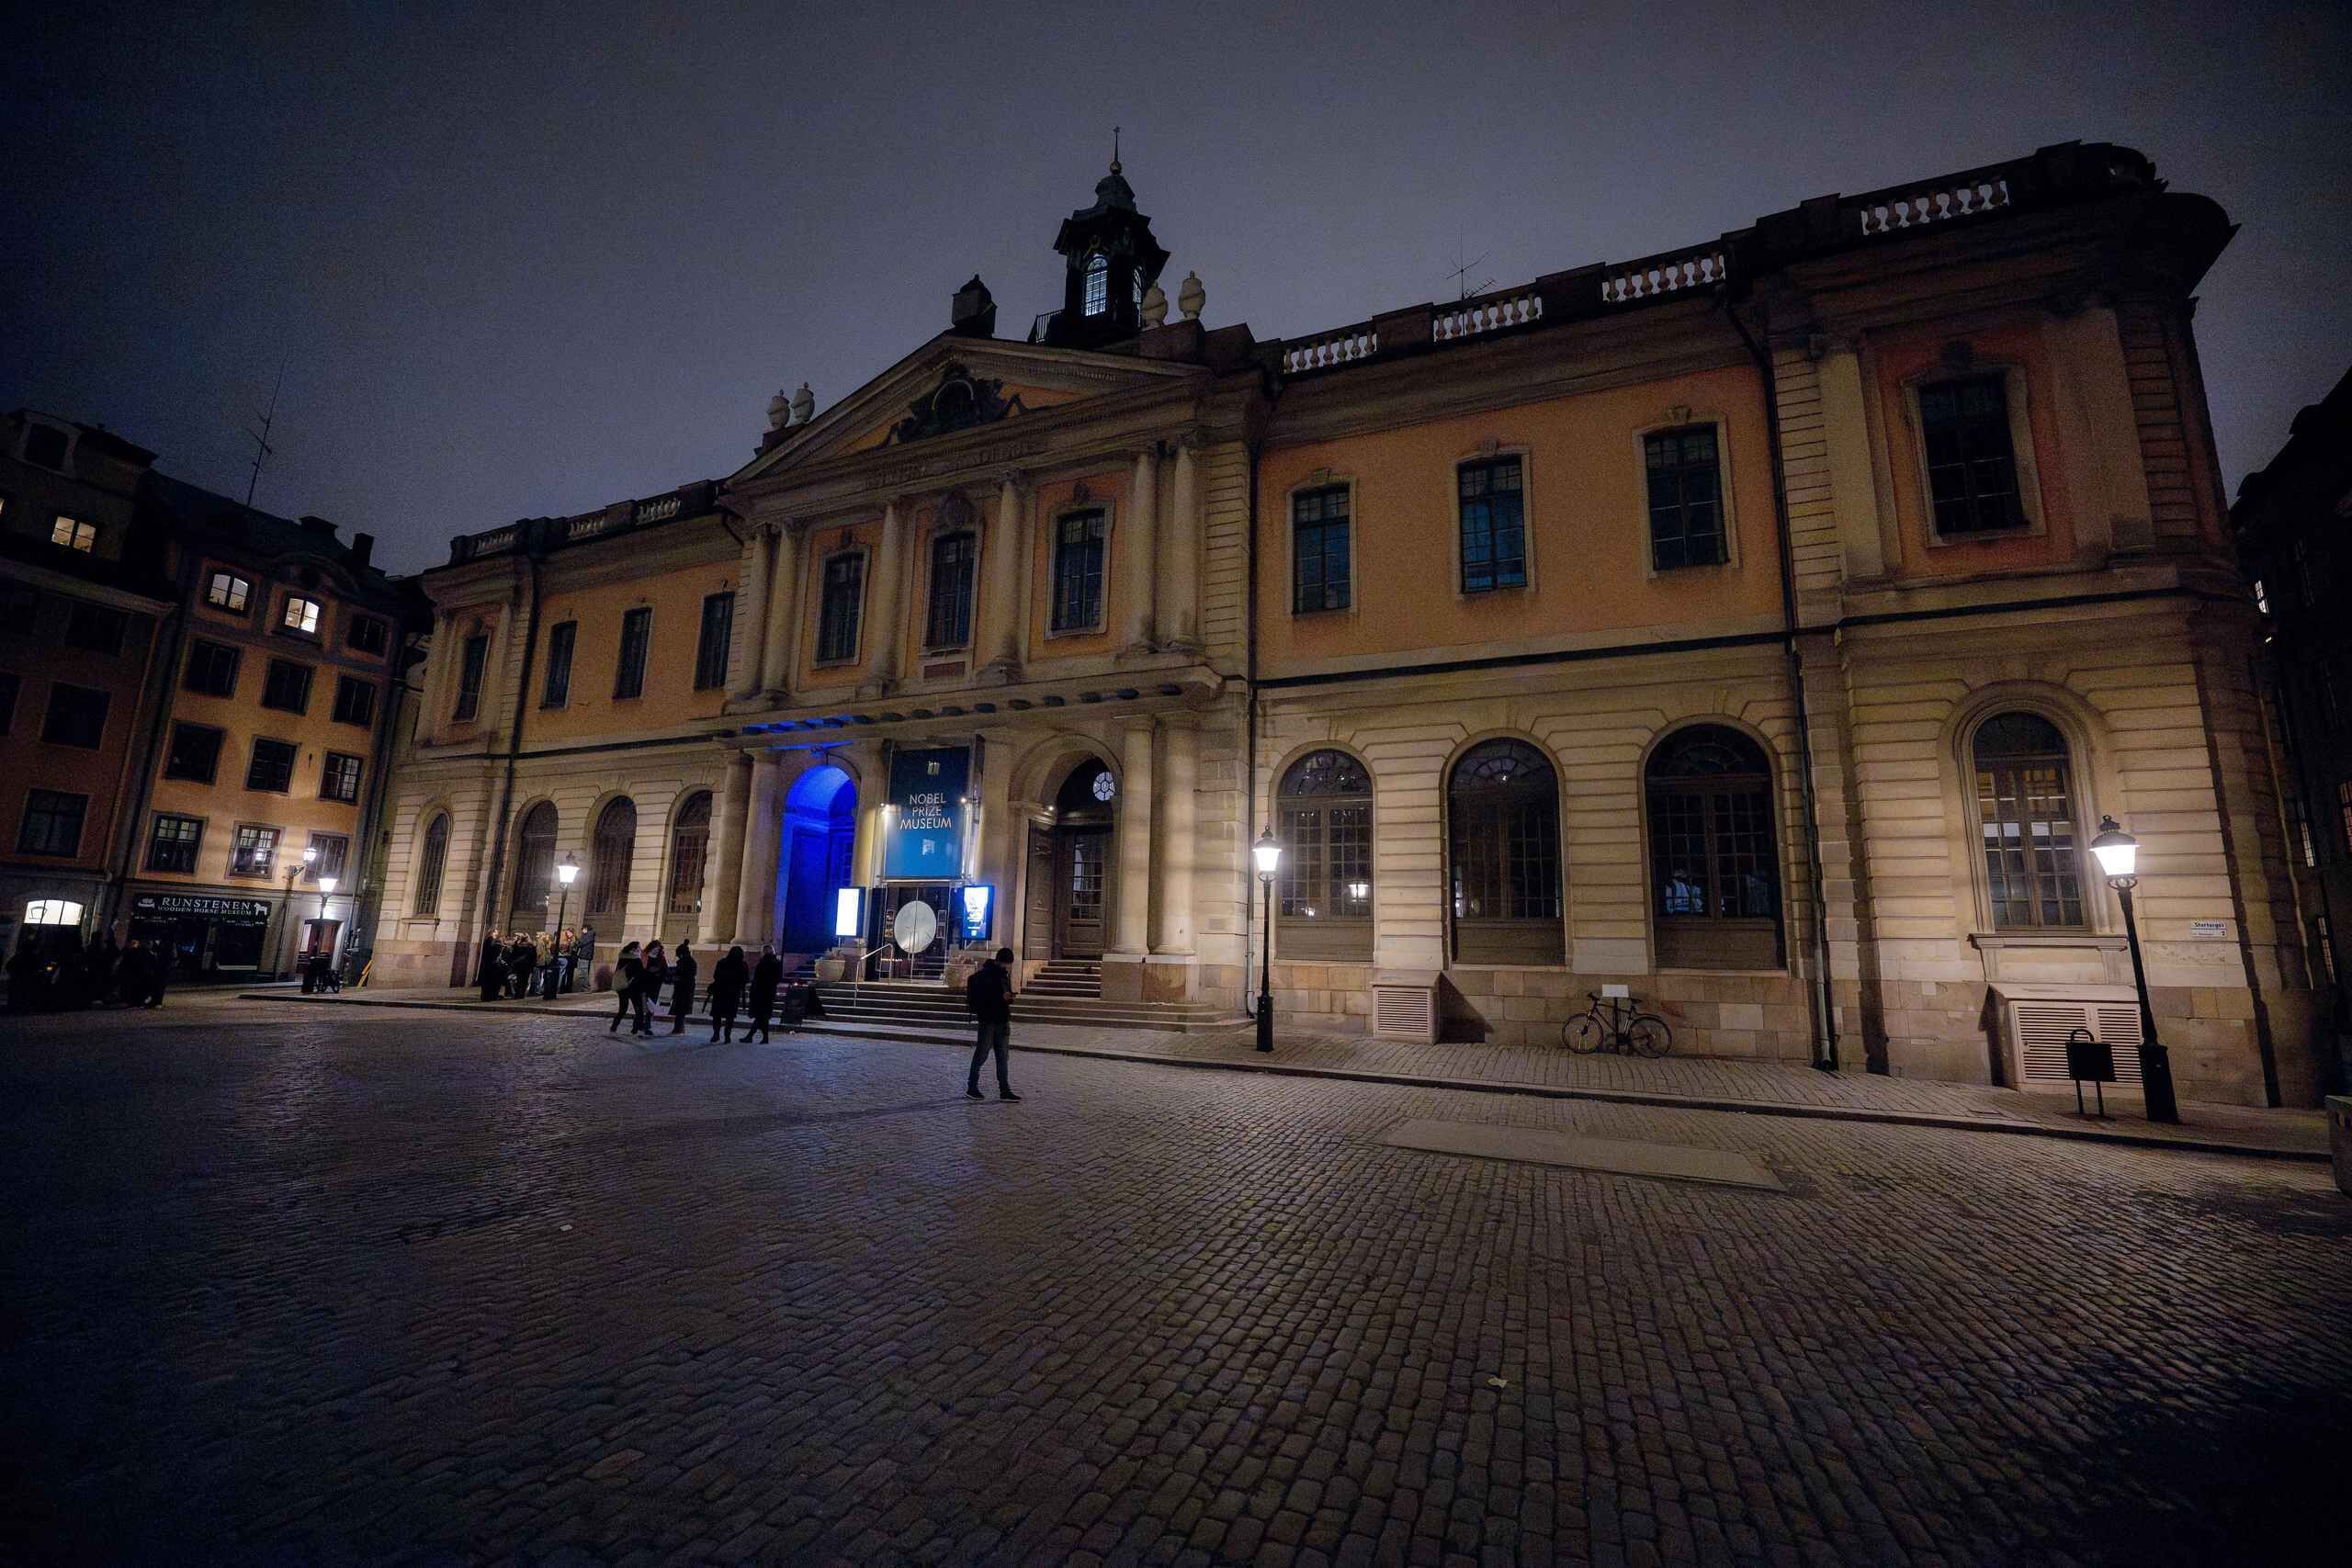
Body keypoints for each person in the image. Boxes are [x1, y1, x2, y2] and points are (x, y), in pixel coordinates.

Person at [964, 946, 1021, 1102]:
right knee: (981, 1054)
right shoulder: (985, 975)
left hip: (1002, 1019)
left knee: (1003, 1057)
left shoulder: (1004, 975)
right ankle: (972, 1086)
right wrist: (1001, 998)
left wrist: (1008, 998)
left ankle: (1005, 1090)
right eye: (1006, 963)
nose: (1007, 966)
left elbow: (1003, 995)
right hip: (988, 1020)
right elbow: (986, 998)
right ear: (1000, 961)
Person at [708, 944, 749, 1043]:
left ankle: (716, 1034)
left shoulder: (722, 962)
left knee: (717, 1015)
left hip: (720, 992)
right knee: (730, 1016)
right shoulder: (742, 965)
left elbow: (716, 976)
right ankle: (727, 1036)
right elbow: (745, 979)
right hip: (733, 994)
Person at [747, 944, 783, 1043]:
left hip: (760, 992)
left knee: (761, 1016)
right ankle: (755, 1037)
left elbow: (757, 979)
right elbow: (778, 978)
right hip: (769, 992)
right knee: (763, 1016)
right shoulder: (777, 963)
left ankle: (754, 1037)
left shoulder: (763, 963)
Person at [609, 942, 644, 1033]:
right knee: (639, 1009)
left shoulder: (622, 958)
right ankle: (635, 1029)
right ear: (633, 949)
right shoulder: (636, 960)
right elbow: (641, 974)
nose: (640, 949)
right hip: (634, 987)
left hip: (622, 987)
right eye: (638, 948)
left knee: (623, 1009)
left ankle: (614, 1027)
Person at [637, 942, 666, 1037]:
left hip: (655, 985)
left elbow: (665, 970)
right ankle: (640, 1025)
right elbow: (639, 968)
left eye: (658, 949)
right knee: (643, 1006)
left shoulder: (661, 958)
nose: (656, 951)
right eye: (655, 948)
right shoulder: (644, 955)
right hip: (644, 984)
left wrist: (658, 972)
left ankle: (647, 1025)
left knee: (651, 1007)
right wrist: (648, 971)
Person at [668, 942, 698, 1035]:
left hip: (683, 989)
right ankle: (679, 1028)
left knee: (680, 1010)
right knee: (680, 1010)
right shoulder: (689, 961)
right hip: (685, 988)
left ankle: (679, 1029)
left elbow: (686, 975)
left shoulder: (686, 962)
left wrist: (676, 977)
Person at [478, 931, 505, 1002]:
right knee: (490, 982)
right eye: (495, 932)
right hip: (491, 966)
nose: (497, 933)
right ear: (492, 933)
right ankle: (489, 997)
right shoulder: (491, 941)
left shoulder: (489, 941)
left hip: (488, 965)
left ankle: (486, 997)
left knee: (487, 983)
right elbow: (493, 955)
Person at [571, 924, 595, 993]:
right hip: (586, 956)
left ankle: (586, 988)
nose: (582, 930)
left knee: (583, 972)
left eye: (583, 929)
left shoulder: (588, 936)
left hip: (584, 956)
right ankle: (585, 988)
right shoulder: (589, 935)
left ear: (586, 929)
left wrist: (576, 941)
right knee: (584, 972)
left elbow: (581, 943)